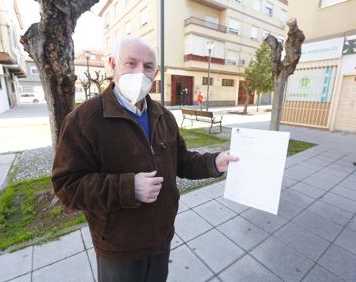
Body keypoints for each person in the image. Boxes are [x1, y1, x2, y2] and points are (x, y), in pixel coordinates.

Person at [51, 36, 239, 282]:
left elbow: (180, 160)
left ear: (156, 72)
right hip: (119, 248)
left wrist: (214, 163)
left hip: (161, 238)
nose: (140, 72)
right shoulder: (84, 120)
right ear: (112, 64)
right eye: (131, 63)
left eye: (148, 66)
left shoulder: (163, 116)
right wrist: (128, 188)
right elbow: (67, 187)